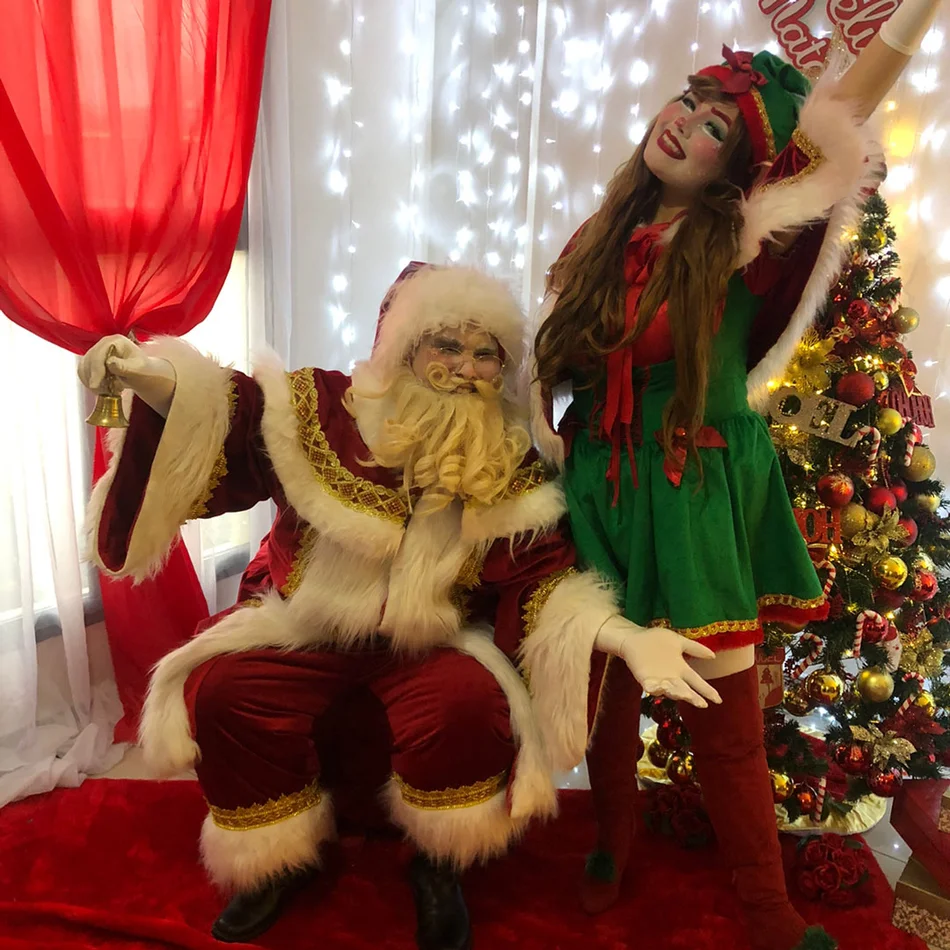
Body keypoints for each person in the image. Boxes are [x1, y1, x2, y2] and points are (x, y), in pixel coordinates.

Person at [79, 263, 683, 950]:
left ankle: (436, 863)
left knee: (467, 706)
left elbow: (542, 577)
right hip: (303, 624)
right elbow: (230, 414)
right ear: (404, 348)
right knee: (227, 692)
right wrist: (153, 376)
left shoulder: (510, 457)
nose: (465, 367)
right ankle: (273, 862)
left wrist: (622, 634)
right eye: (446, 345)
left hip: (434, 642)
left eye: (487, 352)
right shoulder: (327, 411)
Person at [529, 5, 943, 950]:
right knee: (608, 692)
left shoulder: (750, 244)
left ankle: (766, 907)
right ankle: (611, 842)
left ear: (740, 168)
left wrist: (916, 15)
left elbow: (838, 119)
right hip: (602, 486)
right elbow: (558, 363)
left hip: (695, 491)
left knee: (726, 719)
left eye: (715, 123)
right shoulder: (605, 234)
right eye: (689, 100)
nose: (684, 119)